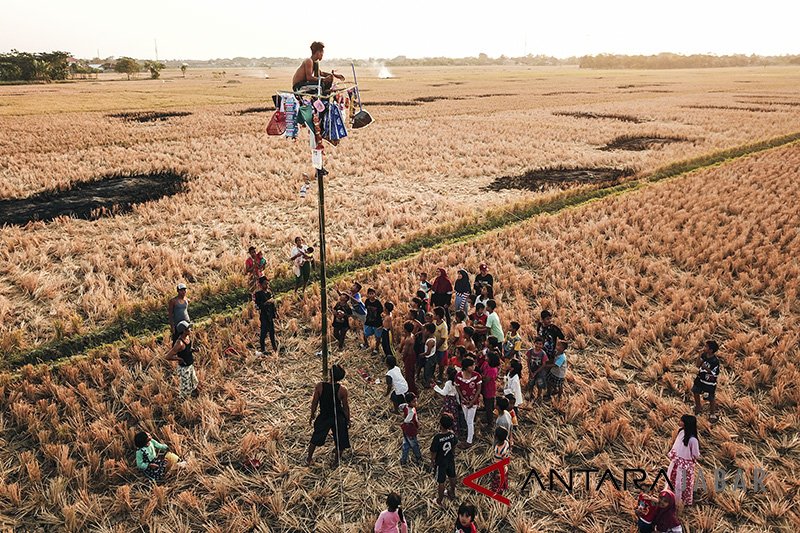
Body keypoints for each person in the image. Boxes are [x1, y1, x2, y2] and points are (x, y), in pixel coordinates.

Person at [307, 365, 351, 467]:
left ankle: (309, 458)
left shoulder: (320, 386)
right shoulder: (342, 390)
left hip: (324, 416)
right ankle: (336, 462)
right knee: (340, 440)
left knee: (316, 437)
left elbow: (314, 402)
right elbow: (345, 407)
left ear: (330, 375)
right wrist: (348, 420)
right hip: (338, 417)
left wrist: (312, 414)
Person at [666, 414, 700, 507]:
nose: (679, 422)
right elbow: (696, 455)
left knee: (681, 482)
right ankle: (674, 498)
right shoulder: (681, 432)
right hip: (679, 463)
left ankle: (680, 501)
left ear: (686, 424)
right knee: (677, 481)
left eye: (681, 421)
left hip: (682, 465)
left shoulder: (692, 440)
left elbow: (695, 453)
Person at [430, 414, 458, 507]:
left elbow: (433, 451)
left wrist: (432, 461)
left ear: (440, 424)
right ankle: (452, 492)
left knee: (441, 481)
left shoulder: (438, 437)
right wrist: (453, 453)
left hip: (441, 462)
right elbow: (454, 445)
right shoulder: (452, 434)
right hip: (450, 459)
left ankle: (439, 500)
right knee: (452, 476)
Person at [165, 321, 198, 399]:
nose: (190, 329)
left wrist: (194, 350)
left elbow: (187, 349)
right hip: (184, 368)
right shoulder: (179, 343)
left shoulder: (187, 337)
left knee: (194, 382)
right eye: (188, 328)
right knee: (185, 388)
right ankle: (183, 402)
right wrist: (179, 358)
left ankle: (193, 397)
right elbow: (168, 356)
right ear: (184, 331)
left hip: (190, 365)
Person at [455, 358, 482, 449]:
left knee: (469, 421)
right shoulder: (458, 376)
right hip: (464, 401)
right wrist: (462, 398)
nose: (474, 367)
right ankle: (472, 433)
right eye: (472, 365)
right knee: (467, 419)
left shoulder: (477, 376)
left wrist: (473, 401)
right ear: (466, 367)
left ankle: (469, 441)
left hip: (473, 402)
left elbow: (478, 389)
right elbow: (457, 387)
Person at [692, 340, 721, 423]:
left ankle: (712, 413)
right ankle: (698, 406)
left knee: (710, 397)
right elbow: (697, 365)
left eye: (706, 347)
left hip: (709, 381)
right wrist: (699, 355)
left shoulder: (715, 361)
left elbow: (714, 373)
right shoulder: (704, 355)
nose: (704, 348)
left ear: (711, 350)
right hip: (700, 378)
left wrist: (705, 367)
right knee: (695, 391)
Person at [253, 276, 278, 354]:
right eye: (265, 284)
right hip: (264, 315)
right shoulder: (258, 294)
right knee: (263, 332)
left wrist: (276, 312)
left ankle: (274, 347)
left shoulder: (269, 293)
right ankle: (263, 349)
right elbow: (258, 306)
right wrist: (266, 303)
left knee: (272, 332)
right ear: (260, 285)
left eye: (267, 284)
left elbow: (273, 305)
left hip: (270, 314)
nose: (266, 286)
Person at [434, 365, 461, 435]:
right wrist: (458, 402)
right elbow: (457, 394)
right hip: (454, 401)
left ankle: (448, 430)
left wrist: (435, 387)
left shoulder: (448, 383)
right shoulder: (456, 383)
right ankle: (455, 431)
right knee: (454, 416)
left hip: (449, 401)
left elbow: (444, 393)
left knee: (448, 416)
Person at [399, 392, 423, 466]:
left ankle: (403, 460)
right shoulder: (411, 412)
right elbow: (407, 420)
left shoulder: (406, 406)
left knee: (406, 444)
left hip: (405, 430)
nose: (416, 403)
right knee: (414, 445)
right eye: (414, 402)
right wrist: (416, 425)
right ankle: (418, 458)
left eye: (416, 400)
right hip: (410, 430)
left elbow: (400, 406)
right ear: (409, 402)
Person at [480, 352, 500, 429]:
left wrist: (482, 376)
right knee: (486, 402)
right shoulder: (486, 364)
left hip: (489, 389)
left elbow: (486, 380)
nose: (486, 357)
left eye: (487, 357)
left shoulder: (492, 370)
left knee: (489, 406)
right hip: (486, 388)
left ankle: (490, 423)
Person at [526, 337, 549, 403]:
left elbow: (543, 364)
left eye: (540, 344)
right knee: (531, 382)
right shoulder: (530, 351)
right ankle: (530, 393)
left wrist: (536, 372)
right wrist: (530, 370)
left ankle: (539, 396)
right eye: (537, 343)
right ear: (534, 343)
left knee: (540, 384)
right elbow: (528, 360)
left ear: (542, 345)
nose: (538, 345)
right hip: (532, 370)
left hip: (540, 372)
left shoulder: (543, 353)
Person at [489, 426, 511, 494]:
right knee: (504, 478)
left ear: (496, 437)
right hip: (505, 467)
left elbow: (497, 461)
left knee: (497, 481)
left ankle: (497, 492)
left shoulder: (498, 449)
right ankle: (504, 488)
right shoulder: (506, 443)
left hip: (499, 469)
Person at [364, 289, 385, 355]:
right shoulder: (367, 301)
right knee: (365, 334)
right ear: (367, 294)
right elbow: (366, 308)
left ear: (375, 294)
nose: (371, 295)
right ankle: (366, 344)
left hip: (377, 323)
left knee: (378, 337)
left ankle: (376, 349)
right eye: (369, 293)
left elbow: (382, 312)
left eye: (372, 293)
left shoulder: (378, 303)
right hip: (369, 321)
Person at [400, 321, 418, 395]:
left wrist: (403, 358)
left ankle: (412, 390)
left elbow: (406, 351)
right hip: (413, 355)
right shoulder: (412, 335)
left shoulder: (408, 339)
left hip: (409, 357)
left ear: (406, 330)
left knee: (408, 374)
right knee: (411, 372)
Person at [433, 307, 450, 384]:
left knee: (441, 363)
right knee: (434, 361)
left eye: (434, 314)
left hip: (441, 348)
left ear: (438, 316)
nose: (433, 315)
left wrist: (436, 347)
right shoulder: (434, 322)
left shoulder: (443, 326)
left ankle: (440, 376)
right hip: (435, 346)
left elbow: (443, 339)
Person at [421, 323, 438, 388]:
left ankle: (428, 384)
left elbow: (428, 352)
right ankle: (431, 380)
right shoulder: (433, 337)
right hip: (433, 356)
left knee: (427, 373)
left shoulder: (430, 341)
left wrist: (422, 354)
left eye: (425, 330)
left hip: (429, 358)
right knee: (430, 371)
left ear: (428, 331)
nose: (424, 331)